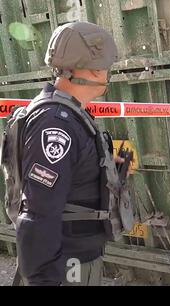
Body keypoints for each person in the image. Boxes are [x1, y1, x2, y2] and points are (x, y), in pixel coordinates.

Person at [12, 22, 119, 286]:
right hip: (65, 265)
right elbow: (39, 211)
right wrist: (42, 279)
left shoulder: (70, 114)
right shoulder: (56, 123)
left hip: (75, 258)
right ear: (96, 69)